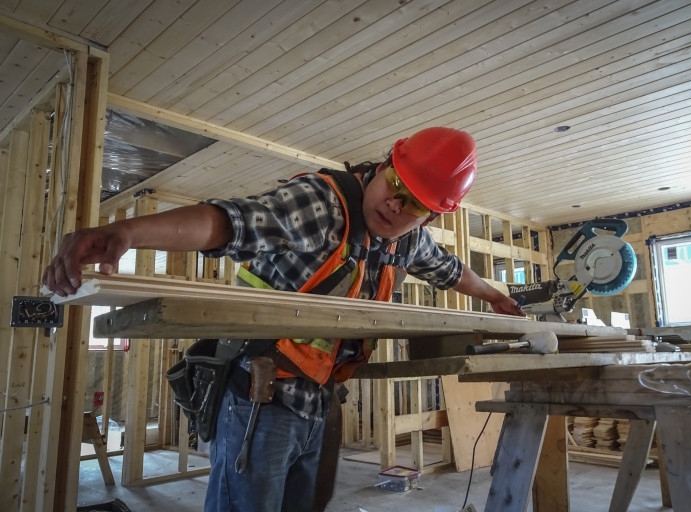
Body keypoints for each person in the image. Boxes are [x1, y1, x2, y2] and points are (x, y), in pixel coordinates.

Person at [42, 126, 524, 511]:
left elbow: (448, 270)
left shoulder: (407, 240)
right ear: (383, 165)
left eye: (415, 203)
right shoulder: (322, 205)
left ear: (432, 217)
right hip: (260, 396)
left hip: (320, 401)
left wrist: (494, 297)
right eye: (395, 184)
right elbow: (231, 222)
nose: (396, 204)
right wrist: (128, 231)